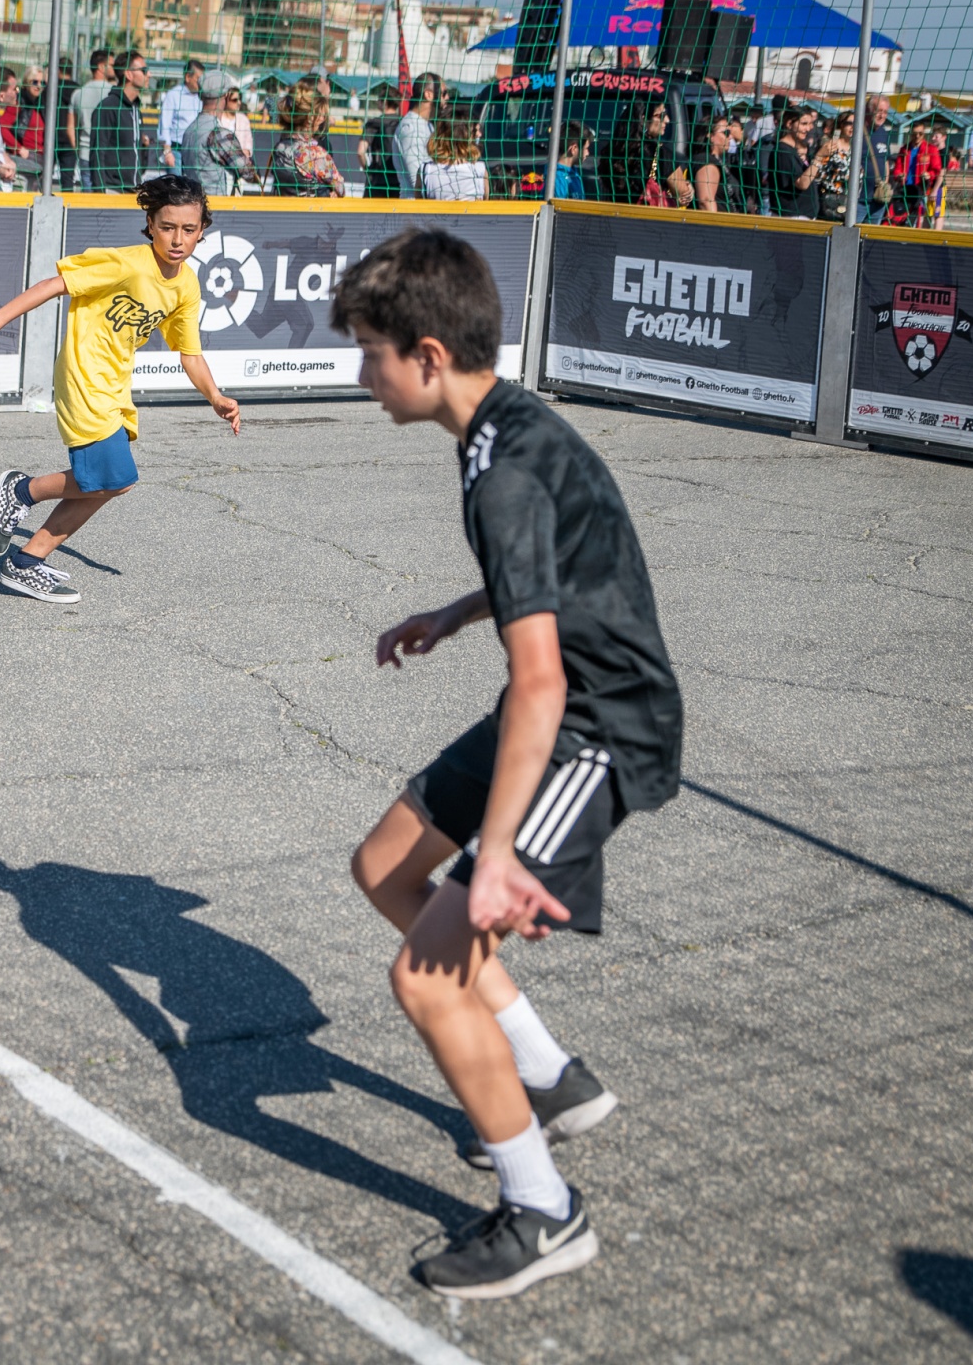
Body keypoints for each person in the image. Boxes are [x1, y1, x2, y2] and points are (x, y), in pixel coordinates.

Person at [335, 229, 681, 1301]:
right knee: (385, 866)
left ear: (429, 355)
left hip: (594, 728)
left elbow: (542, 682)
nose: (363, 375)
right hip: (556, 701)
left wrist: (494, 857)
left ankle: (543, 1211)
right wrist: (455, 611)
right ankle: (550, 1078)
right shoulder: (497, 429)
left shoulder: (504, 471)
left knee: (426, 976)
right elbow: (552, 567)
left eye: (371, 354)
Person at [0, 174, 241, 605]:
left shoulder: (187, 285)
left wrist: (215, 396)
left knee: (109, 483)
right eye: (167, 227)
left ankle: (27, 561)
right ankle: (20, 492)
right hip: (83, 376)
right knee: (114, 477)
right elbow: (54, 286)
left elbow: (190, 353)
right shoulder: (126, 264)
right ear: (151, 224)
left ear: (202, 230)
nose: (178, 239)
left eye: (188, 229)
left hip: (115, 385)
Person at [180, 68, 258, 194]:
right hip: (216, 202)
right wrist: (244, 156)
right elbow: (249, 174)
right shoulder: (219, 134)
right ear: (225, 96)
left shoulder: (189, 131)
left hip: (192, 200)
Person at [88, 51, 151, 192]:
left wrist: (145, 148)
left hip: (133, 191)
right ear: (129, 74)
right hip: (112, 190)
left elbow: (136, 158)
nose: (149, 74)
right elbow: (97, 153)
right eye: (144, 70)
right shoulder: (108, 107)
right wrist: (100, 192)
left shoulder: (136, 110)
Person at [268, 80, 344, 197]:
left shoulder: (279, 148)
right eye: (321, 115)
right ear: (310, 118)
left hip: (283, 206)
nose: (323, 119)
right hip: (311, 207)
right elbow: (341, 189)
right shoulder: (316, 154)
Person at [606, 100, 675, 207]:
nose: (667, 120)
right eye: (660, 116)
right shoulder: (660, 153)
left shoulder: (613, 150)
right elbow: (682, 193)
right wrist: (689, 190)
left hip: (615, 213)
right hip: (648, 215)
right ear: (643, 119)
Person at [770, 107, 832, 219]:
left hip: (804, 215)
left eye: (810, 124)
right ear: (789, 124)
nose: (808, 128)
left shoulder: (798, 149)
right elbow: (802, 183)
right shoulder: (783, 151)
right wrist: (819, 157)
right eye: (804, 124)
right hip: (792, 217)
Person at [420, 110, 487, 201]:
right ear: (465, 135)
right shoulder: (480, 170)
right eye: (474, 131)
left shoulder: (426, 170)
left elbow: (419, 204)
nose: (479, 134)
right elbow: (485, 203)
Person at [887, 120, 943, 229]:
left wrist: (929, 175)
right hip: (905, 189)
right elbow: (897, 169)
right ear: (910, 133)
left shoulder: (931, 149)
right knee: (901, 217)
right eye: (914, 133)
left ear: (924, 133)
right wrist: (899, 175)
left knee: (919, 218)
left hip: (921, 190)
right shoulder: (904, 149)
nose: (917, 136)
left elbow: (936, 169)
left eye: (920, 133)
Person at [395, 73, 442, 198]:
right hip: (413, 206)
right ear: (428, 95)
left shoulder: (428, 125)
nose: (447, 98)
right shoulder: (410, 128)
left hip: (427, 204)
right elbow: (417, 181)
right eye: (444, 93)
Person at [73, 49, 115, 188]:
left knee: (88, 196)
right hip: (108, 155)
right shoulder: (114, 93)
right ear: (101, 67)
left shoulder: (78, 93)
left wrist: (78, 149)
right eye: (112, 65)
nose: (115, 68)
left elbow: (71, 128)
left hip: (85, 152)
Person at [691, 112, 746, 213]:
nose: (730, 137)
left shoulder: (718, 160)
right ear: (710, 136)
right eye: (726, 133)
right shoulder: (706, 162)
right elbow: (705, 202)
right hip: (718, 222)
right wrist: (715, 222)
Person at [357, 85, 403, 199]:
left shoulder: (374, 123)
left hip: (377, 180)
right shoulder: (403, 123)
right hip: (399, 181)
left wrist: (368, 171)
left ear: (384, 102)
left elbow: (360, 152)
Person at [157, 58, 203, 170]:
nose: (201, 83)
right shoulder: (173, 95)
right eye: (198, 79)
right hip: (176, 150)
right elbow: (164, 125)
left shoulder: (202, 97)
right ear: (188, 77)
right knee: (176, 181)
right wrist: (167, 152)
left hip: (196, 153)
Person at [864, 95, 897, 222]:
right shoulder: (857, 131)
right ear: (869, 110)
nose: (882, 115)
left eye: (885, 112)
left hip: (878, 198)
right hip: (859, 199)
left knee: (871, 232)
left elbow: (886, 161)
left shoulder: (884, 133)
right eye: (879, 111)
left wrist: (885, 184)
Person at [51, 55, 80, 187]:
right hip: (70, 139)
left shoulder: (51, 88)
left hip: (51, 137)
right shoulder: (78, 90)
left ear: (58, 70)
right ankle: (68, 199)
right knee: (68, 179)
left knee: (44, 176)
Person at [552, 122, 590, 200]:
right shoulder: (557, 178)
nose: (588, 153)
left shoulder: (573, 173)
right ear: (574, 149)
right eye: (586, 148)